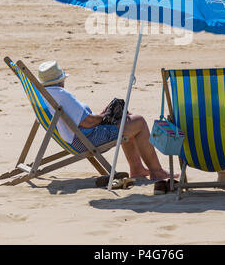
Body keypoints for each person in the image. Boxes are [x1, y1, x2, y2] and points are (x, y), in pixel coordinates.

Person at [38, 61, 176, 181]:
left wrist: (104, 115)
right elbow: (88, 122)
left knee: (126, 119)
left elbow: (82, 120)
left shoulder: (44, 94)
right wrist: (105, 116)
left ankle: (138, 169)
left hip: (74, 138)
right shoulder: (61, 94)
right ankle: (156, 172)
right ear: (61, 80)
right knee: (138, 122)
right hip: (86, 140)